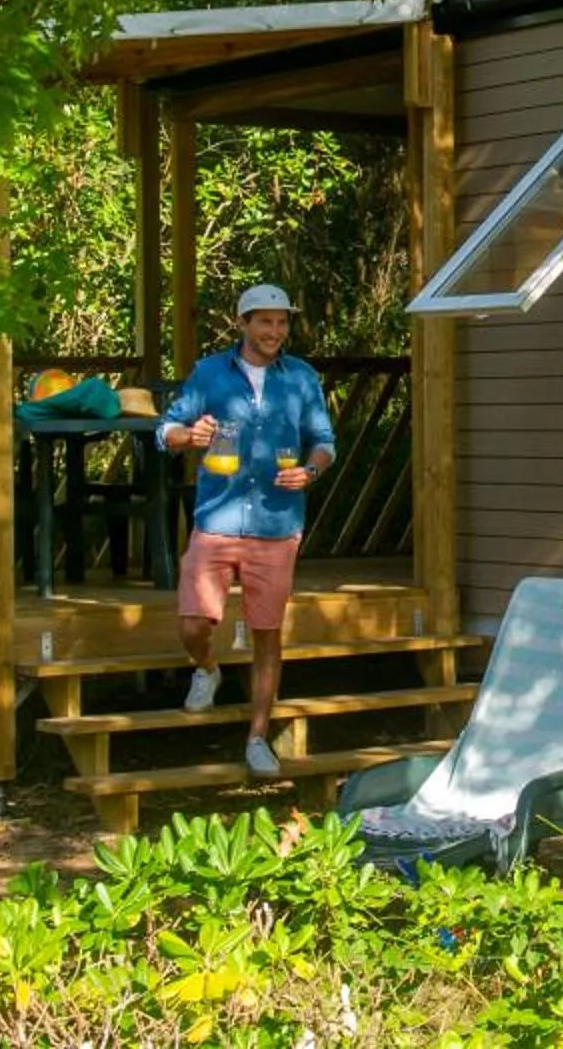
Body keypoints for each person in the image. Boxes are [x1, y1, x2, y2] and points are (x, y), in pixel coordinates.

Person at [157, 282, 336, 776]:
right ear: (242, 324)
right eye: (265, 322)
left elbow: (323, 440)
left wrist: (311, 471)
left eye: (281, 323)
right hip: (217, 518)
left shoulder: (301, 378)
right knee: (193, 622)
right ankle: (207, 668)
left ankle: (257, 738)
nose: (275, 331)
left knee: (267, 633)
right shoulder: (210, 373)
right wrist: (187, 437)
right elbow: (165, 428)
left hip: (277, 522)